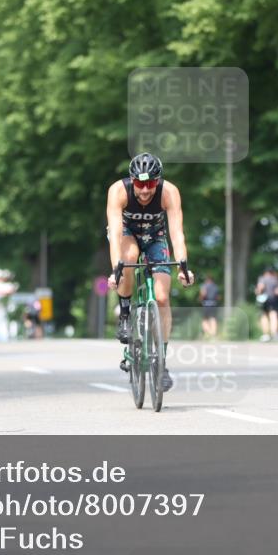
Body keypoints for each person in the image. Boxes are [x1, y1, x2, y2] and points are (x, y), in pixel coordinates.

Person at [106, 152, 194, 391]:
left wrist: (183, 265)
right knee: (130, 258)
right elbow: (114, 234)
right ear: (132, 180)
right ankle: (125, 314)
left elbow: (177, 233)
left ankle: (161, 363)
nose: (145, 190)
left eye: (150, 184)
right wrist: (116, 269)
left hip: (156, 237)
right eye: (140, 184)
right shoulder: (118, 191)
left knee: (163, 297)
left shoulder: (169, 192)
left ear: (158, 181)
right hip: (127, 233)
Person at [255, 266, 278, 341]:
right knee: (273, 316)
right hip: (273, 299)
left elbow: (260, 288)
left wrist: (258, 293)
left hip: (264, 299)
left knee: (264, 316)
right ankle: (274, 335)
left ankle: (266, 335)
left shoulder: (262, 278)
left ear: (265, 273)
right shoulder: (275, 279)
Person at [198, 274, 219, 339]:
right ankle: (214, 333)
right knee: (213, 319)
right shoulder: (215, 287)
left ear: (207, 280)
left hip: (206, 304)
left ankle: (210, 332)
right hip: (214, 304)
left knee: (204, 320)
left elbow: (203, 294)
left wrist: (200, 299)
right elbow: (217, 297)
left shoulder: (204, 286)